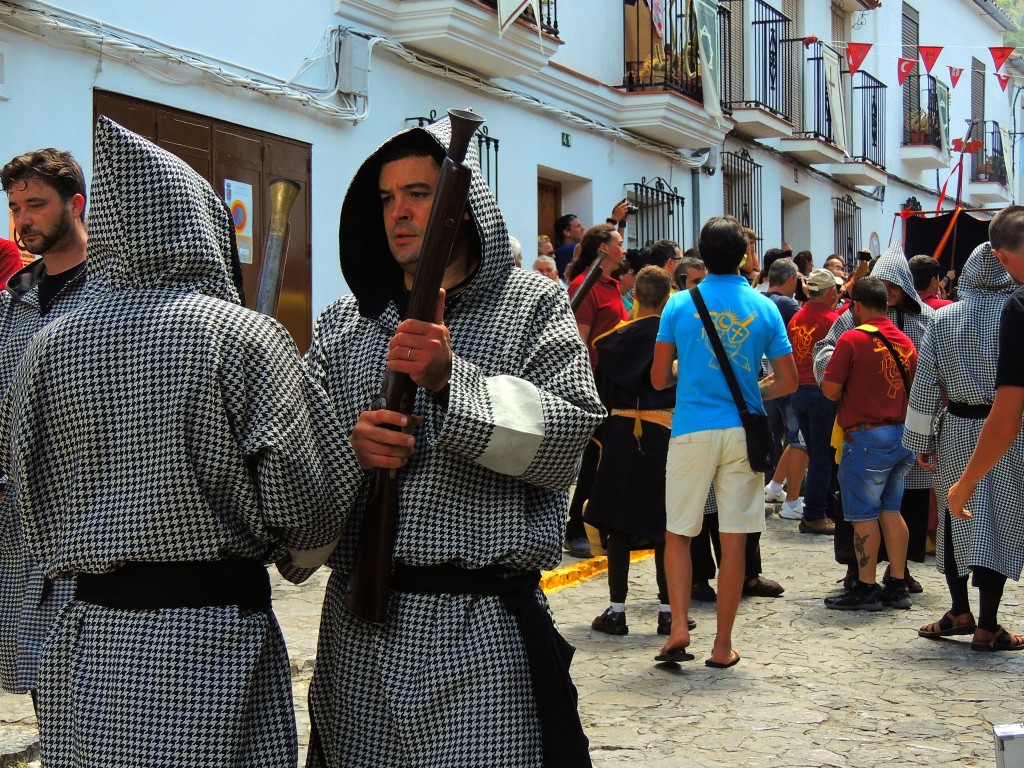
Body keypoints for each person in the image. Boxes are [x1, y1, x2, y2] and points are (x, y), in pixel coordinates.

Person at [0, 118, 361, 765]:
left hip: (87, 643)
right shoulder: (244, 336)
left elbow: (26, 492)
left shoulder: (48, 341)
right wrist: (298, 555)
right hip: (213, 638)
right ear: (196, 220)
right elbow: (305, 505)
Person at [304, 115, 604, 767]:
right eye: (386, 198)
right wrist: (349, 452)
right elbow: (296, 485)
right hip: (359, 634)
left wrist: (450, 382)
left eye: (418, 193)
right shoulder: (341, 326)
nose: (399, 212)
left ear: (460, 206)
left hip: (479, 632)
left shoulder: (533, 307)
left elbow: (570, 436)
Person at [652, 215, 797, 668]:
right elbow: (788, 381)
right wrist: (757, 390)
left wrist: (685, 371)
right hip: (742, 430)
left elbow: (659, 378)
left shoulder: (678, 305)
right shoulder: (766, 307)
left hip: (691, 428)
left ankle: (679, 625)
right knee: (734, 539)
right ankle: (722, 644)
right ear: (744, 256)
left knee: (678, 530)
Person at [0, 147, 91, 703]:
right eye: (15, 207)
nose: (23, 220)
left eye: (36, 204)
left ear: (75, 205)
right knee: (42, 689)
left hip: (91, 518)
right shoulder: (15, 302)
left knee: (96, 684)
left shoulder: (111, 294)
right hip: (20, 529)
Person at [814, 243, 935, 593]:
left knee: (892, 507)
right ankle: (860, 570)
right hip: (889, 429)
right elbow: (825, 350)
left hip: (904, 427)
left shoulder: (926, 320)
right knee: (868, 508)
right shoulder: (848, 321)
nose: (889, 293)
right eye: (884, 286)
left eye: (894, 287)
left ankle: (897, 573)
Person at [941, 208, 1024, 650]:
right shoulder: (1013, 307)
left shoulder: (945, 318)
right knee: (1002, 524)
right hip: (1010, 434)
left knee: (960, 520)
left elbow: (924, 387)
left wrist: (919, 440)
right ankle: (987, 622)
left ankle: (960, 608)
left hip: (956, 429)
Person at [586, 266, 680, 637]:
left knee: (620, 523)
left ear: (636, 296)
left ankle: (617, 610)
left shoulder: (613, 340)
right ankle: (668, 611)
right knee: (664, 525)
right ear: (669, 296)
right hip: (666, 433)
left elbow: (601, 397)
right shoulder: (675, 341)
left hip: (623, 432)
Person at [820, 277, 917, 612]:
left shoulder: (851, 339)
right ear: (886, 305)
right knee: (891, 511)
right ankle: (897, 582)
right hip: (901, 434)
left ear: (856, 306)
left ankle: (865, 586)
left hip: (865, 437)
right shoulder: (905, 341)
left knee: (863, 516)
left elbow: (830, 390)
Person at [564, 224, 630, 558]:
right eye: (619, 243)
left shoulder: (612, 285)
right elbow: (580, 342)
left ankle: (597, 520)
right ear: (603, 249)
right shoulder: (584, 286)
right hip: (595, 382)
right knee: (593, 455)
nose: (624, 249)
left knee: (609, 456)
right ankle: (574, 525)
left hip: (614, 382)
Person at [786, 269, 843, 535]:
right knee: (822, 455)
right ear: (831, 292)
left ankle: (823, 506)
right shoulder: (834, 320)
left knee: (816, 452)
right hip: (821, 392)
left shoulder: (797, 318)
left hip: (799, 392)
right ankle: (814, 513)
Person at [761, 258, 808, 522]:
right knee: (798, 439)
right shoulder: (789, 305)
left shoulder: (759, 299)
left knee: (783, 436)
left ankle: (775, 486)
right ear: (790, 280)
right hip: (788, 380)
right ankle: (790, 498)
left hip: (768, 379)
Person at [554, 201, 631, 280]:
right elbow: (595, 242)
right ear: (567, 233)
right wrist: (613, 219)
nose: (583, 229)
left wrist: (622, 223)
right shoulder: (564, 250)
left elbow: (614, 242)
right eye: (578, 226)